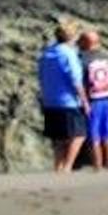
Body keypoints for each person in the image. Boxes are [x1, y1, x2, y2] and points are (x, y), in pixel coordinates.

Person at [35, 18, 88, 173]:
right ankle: (67, 167)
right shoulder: (69, 54)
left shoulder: (47, 53)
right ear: (73, 36)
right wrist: (84, 101)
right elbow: (76, 80)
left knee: (58, 139)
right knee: (79, 135)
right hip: (68, 101)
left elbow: (41, 75)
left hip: (50, 101)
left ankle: (58, 167)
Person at [80, 30, 108, 171]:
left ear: (86, 43)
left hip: (93, 102)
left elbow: (81, 83)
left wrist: (83, 102)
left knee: (94, 136)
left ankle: (97, 168)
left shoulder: (82, 60)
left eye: (81, 40)